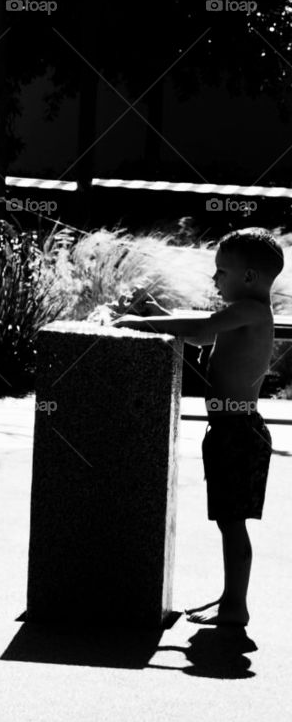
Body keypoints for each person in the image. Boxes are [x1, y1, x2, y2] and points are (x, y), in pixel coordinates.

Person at [113, 227, 283, 626]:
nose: (214, 278)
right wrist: (161, 317)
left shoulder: (252, 311)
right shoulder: (244, 315)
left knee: (233, 524)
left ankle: (236, 608)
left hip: (239, 432)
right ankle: (229, 599)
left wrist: (141, 324)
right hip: (231, 430)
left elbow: (205, 329)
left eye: (221, 271)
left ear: (249, 278)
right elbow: (202, 334)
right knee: (228, 520)